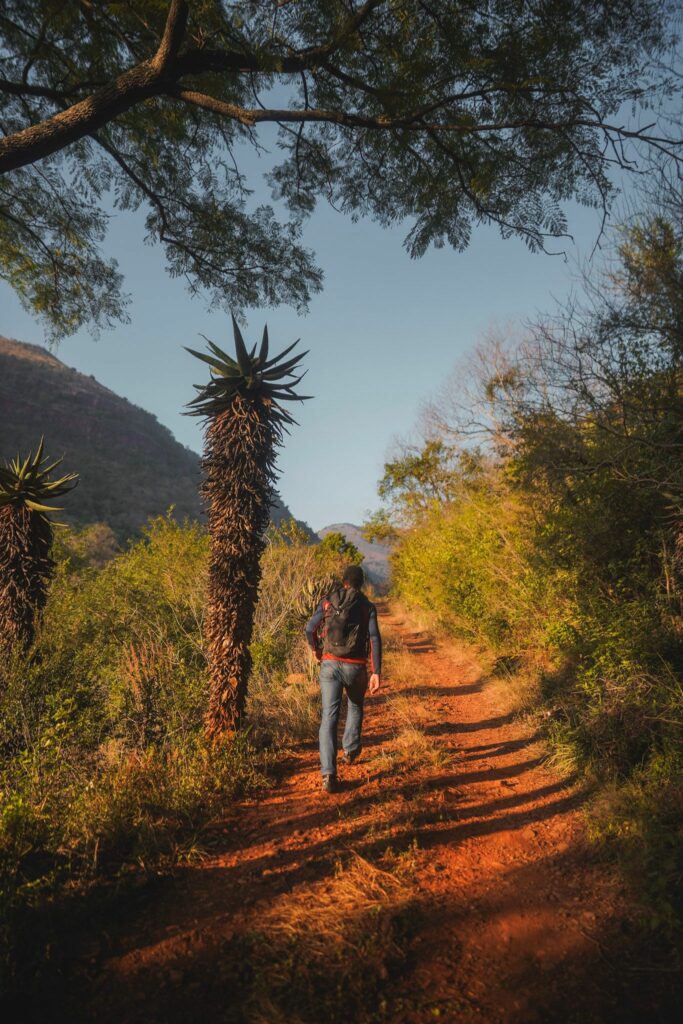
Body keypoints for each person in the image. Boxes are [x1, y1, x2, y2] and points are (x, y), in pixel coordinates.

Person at [305, 564, 382, 793]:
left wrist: (315, 650)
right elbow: (375, 638)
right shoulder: (367, 606)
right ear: (362, 583)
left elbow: (310, 628)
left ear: (344, 581)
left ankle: (328, 775)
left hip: (329, 664)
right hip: (356, 667)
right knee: (356, 704)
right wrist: (376, 671)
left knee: (329, 717)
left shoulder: (329, 600)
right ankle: (350, 749)